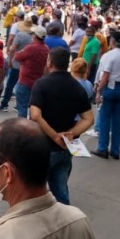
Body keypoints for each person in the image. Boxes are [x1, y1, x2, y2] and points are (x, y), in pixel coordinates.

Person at [29, 47, 93, 205]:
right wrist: (70, 134)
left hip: (43, 146)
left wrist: (54, 136)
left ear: (50, 63)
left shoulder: (41, 84)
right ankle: (63, 221)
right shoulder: (77, 87)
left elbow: (35, 115)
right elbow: (88, 119)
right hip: (65, 147)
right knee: (60, 189)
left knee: (34, 190)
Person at [91, 31, 120, 159]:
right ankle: (115, 150)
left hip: (110, 87)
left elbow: (105, 75)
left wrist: (98, 90)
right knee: (117, 120)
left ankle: (102, 148)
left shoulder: (110, 55)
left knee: (105, 118)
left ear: (113, 41)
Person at [13, 25, 49, 118]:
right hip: (38, 81)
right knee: (34, 109)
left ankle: (23, 130)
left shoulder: (31, 48)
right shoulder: (46, 48)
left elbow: (17, 57)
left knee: (22, 108)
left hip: (25, 81)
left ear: (35, 36)